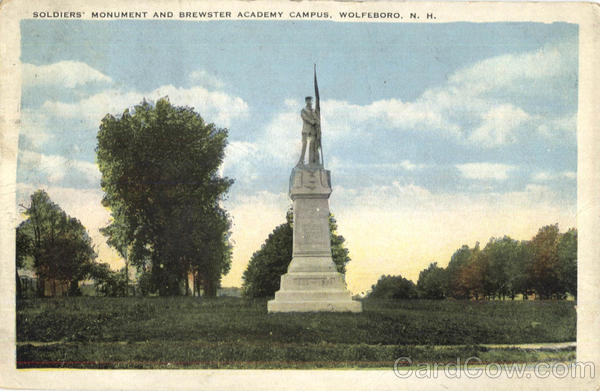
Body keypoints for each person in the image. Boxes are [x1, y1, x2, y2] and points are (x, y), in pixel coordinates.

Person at [298, 96, 320, 166]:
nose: (309, 102)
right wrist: (312, 121)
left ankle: (311, 162)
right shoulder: (303, 110)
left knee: (312, 146)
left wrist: (317, 121)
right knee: (304, 145)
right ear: (306, 101)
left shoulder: (313, 111)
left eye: (310, 101)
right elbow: (305, 118)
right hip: (306, 130)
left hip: (313, 131)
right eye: (308, 101)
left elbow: (317, 119)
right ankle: (301, 161)